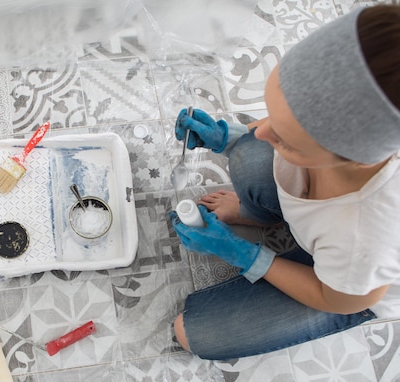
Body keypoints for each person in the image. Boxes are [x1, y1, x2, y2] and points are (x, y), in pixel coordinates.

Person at [170, 4, 400, 360]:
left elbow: (333, 298)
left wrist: (244, 254)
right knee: (249, 154)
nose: (260, 131)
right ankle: (264, 214)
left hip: (342, 287)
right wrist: (226, 136)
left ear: (352, 157)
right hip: (336, 240)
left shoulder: (365, 239)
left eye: (286, 139)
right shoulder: (347, 121)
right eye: (275, 112)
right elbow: (284, 123)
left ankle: (291, 236)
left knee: (194, 333)